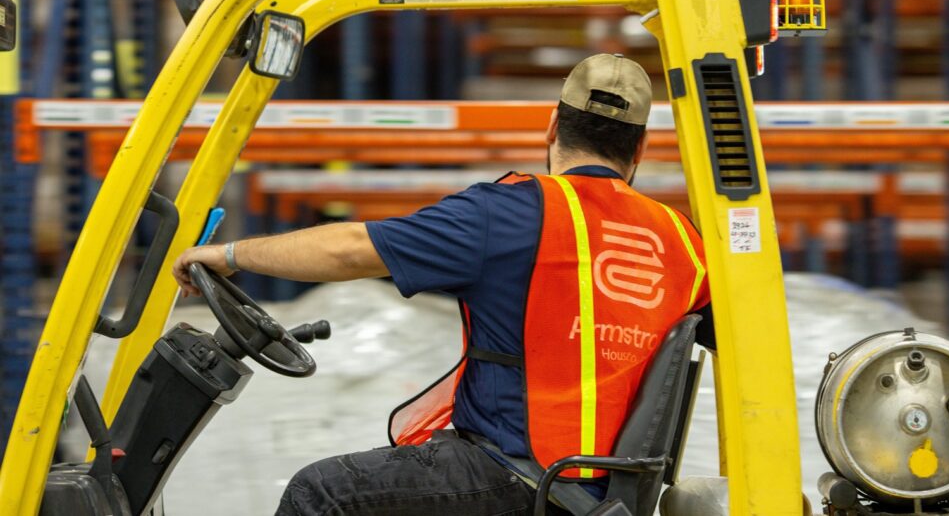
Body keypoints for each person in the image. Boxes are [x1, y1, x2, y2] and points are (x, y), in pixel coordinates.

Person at [172, 53, 714, 516]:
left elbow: (351, 249)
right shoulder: (685, 243)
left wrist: (229, 254)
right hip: (600, 489)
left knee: (322, 493)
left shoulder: (513, 212)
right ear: (640, 149)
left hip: (520, 474)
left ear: (552, 128)